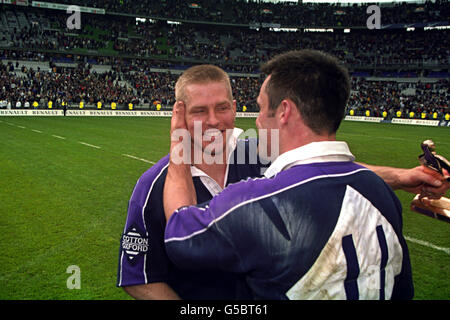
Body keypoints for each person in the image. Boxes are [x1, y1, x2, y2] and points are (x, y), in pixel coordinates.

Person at [118, 63, 448, 300]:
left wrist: (405, 177)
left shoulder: (261, 155)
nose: (214, 121)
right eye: (199, 111)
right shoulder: (152, 187)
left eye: (222, 108)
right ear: (180, 115)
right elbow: (139, 278)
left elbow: (327, 172)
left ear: (235, 108)